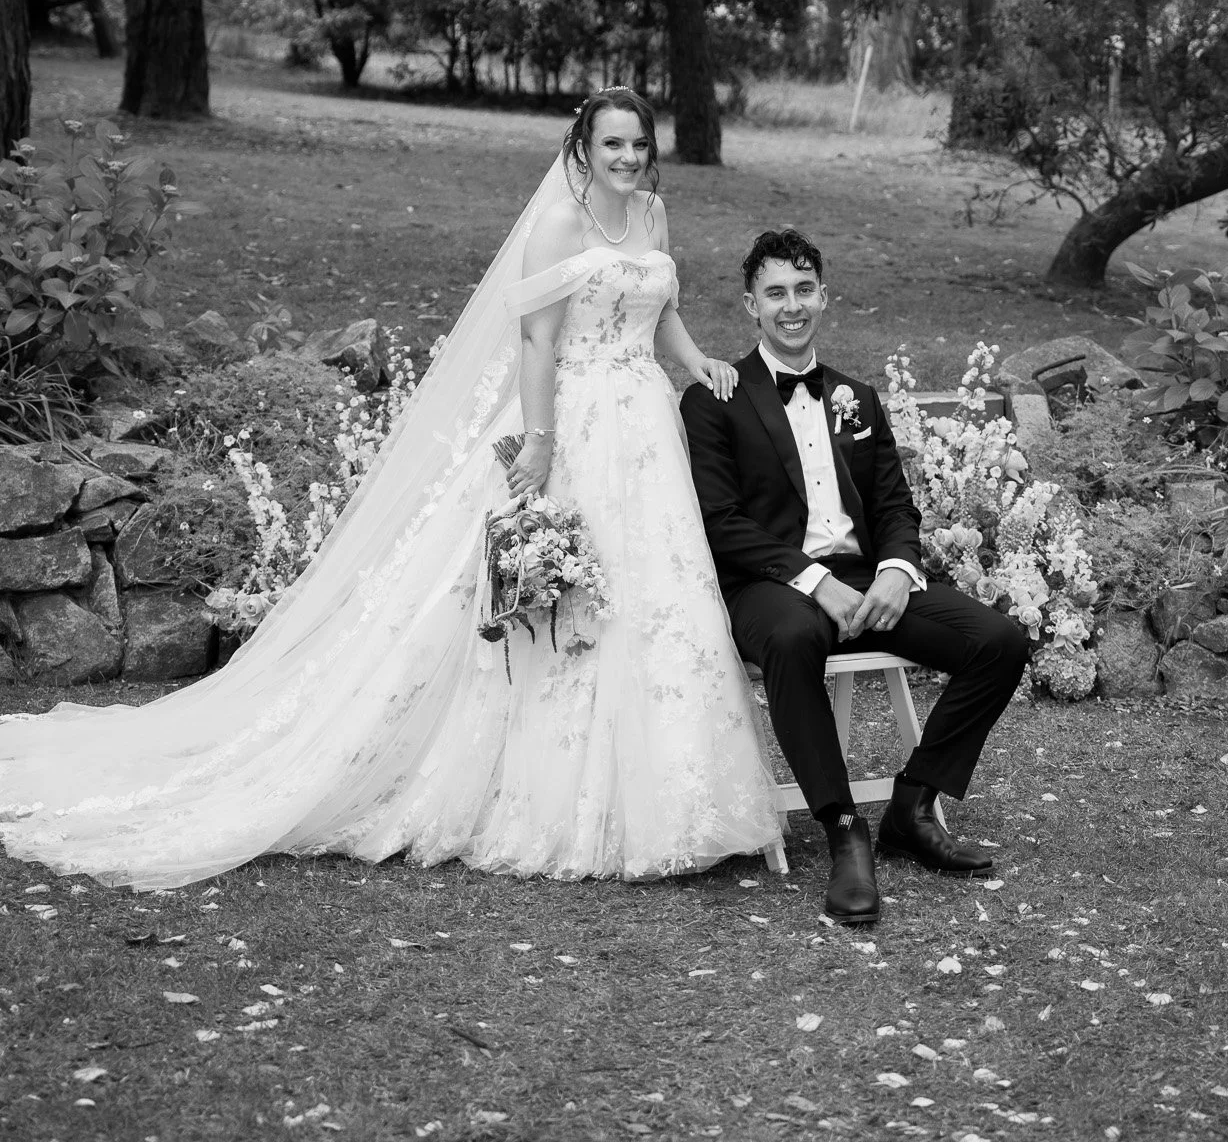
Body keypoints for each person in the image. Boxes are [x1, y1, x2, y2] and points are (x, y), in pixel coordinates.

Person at [0, 92, 781, 887]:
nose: (626, 157)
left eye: (638, 144)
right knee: (569, 585)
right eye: (611, 143)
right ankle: (551, 789)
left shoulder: (652, 214)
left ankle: (676, 793)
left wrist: (698, 362)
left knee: (653, 593)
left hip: (644, 423)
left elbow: (660, 312)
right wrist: (540, 443)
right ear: (582, 147)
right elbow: (537, 340)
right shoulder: (557, 225)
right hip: (575, 419)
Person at [681, 228, 1030, 927]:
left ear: (824, 297)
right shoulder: (713, 398)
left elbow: (894, 505)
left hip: (866, 580)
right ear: (750, 305)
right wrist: (813, 582)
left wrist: (898, 570)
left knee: (1000, 641)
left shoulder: (857, 397)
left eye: (803, 290)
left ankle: (910, 803)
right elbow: (720, 522)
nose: (791, 306)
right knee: (789, 640)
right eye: (775, 293)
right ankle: (843, 827)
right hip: (767, 584)